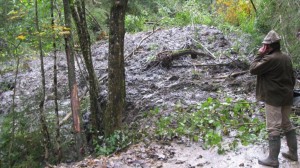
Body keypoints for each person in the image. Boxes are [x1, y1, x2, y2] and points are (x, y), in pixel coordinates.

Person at [250, 30, 298, 167]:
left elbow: (252, 69)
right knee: (286, 123)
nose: (264, 47)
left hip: (273, 98)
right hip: (287, 96)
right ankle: (293, 154)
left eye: (265, 45)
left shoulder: (270, 59)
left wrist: (259, 54)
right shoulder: (286, 58)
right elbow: (292, 78)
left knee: (273, 127)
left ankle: (273, 159)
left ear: (269, 46)